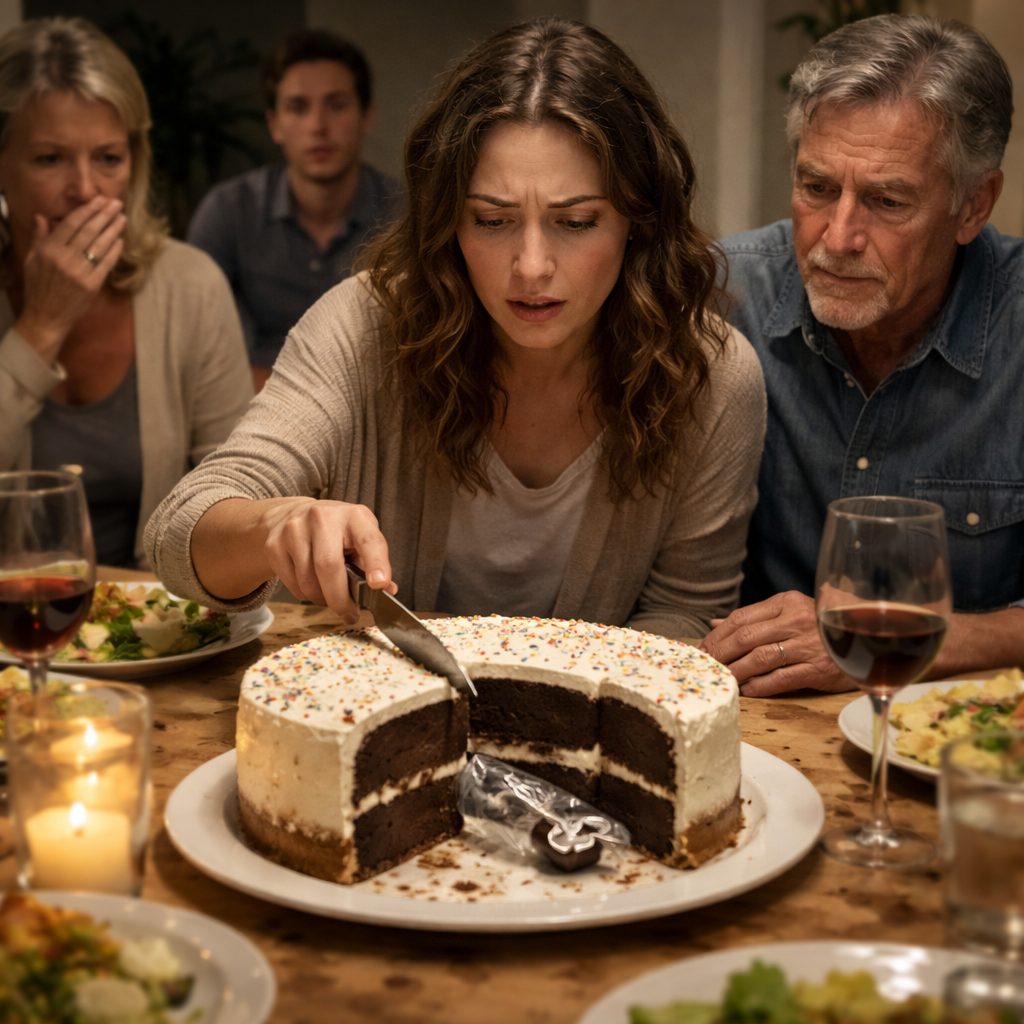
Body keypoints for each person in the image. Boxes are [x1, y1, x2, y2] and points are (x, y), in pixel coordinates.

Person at [145, 17, 766, 638]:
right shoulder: (362, 328)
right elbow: (179, 535)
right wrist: (274, 524)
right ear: (446, 223)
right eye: (492, 222)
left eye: (576, 222)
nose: (531, 268)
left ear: (640, 220)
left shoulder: (710, 376)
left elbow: (686, 615)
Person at [702, 13, 1024, 695]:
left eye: (887, 200)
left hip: (966, 749)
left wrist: (891, 640)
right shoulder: (719, 299)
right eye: (817, 188)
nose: (838, 236)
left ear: (973, 206)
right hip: (761, 734)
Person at [0, 17, 252, 569]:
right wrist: (40, 327)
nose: (85, 189)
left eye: (108, 158)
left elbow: (240, 486)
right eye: (50, 158)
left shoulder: (190, 285)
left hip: (156, 626)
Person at [186, 28, 401, 389]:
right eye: (298, 107)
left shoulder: (406, 215)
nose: (318, 126)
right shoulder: (228, 210)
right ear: (275, 125)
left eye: (336, 105)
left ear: (367, 116)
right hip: (250, 405)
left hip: (375, 407)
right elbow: (191, 337)